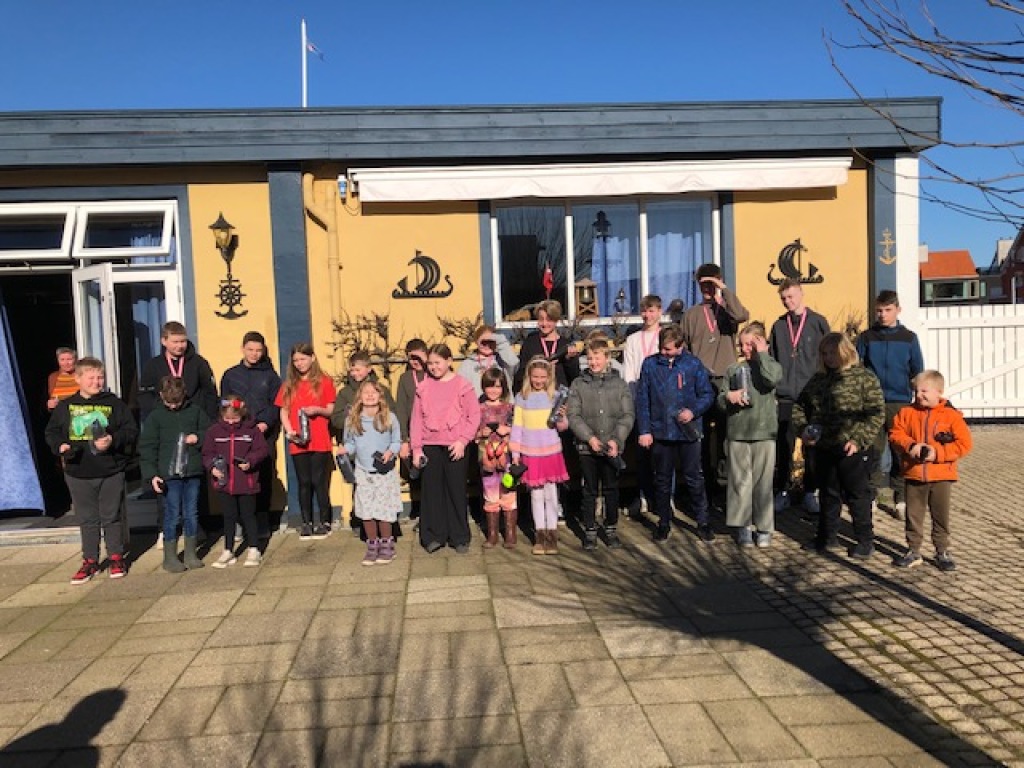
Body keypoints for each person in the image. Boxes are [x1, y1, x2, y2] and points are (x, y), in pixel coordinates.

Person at [45, 357, 137, 584]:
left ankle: (116, 557)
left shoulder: (114, 404)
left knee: (111, 517)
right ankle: (90, 561)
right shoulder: (66, 406)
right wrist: (60, 446)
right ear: (78, 379)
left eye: (100, 377)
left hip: (110, 470)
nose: (97, 382)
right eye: (91, 378)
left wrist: (113, 440)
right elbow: (52, 432)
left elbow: (131, 430)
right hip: (78, 471)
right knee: (87, 519)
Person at [793, 333, 884, 558]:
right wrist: (803, 429)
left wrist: (858, 440)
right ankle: (827, 537)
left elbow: (875, 414)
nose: (828, 358)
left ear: (845, 352)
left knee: (857, 495)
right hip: (824, 447)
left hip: (852, 448)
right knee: (828, 493)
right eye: (824, 354)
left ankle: (865, 540)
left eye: (832, 353)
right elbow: (800, 406)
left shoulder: (863, 378)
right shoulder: (818, 379)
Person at [636, 325, 716, 544]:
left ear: (680, 347)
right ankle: (663, 523)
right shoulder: (650, 365)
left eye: (669, 349)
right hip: (661, 432)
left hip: (688, 432)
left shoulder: (693, 364)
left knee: (694, 478)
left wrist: (693, 411)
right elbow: (643, 399)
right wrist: (645, 430)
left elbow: (707, 394)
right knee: (662, 481)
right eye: (662, 348)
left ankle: (703, 522)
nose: (664, 352)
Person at [680, 264, 750, 510]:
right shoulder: (691, 315)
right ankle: (704, 491)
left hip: (725, 382)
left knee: (726, 438)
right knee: (700, 438)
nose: (708, 289)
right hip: (700, 383)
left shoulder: (727, 312)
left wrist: (723, 290)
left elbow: (742, 315)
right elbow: (683, 350)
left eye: (712, 284)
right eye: (704, 285)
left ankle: (727, 490)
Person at [889, 370, 972, 571]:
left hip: (941, 476)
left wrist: (938, 454)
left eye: (924, 391)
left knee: (940, 515)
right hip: (914, 474)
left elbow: (964, 444)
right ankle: (913, 550)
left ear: (939, 392)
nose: (919, 395)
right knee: (913, 515)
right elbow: (895, 434)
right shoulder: (907, 413)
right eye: (916, 391)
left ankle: (942, 550)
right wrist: (910, 446)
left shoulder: (951, 416)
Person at [856, 289, 924, 520]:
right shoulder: (867, 337)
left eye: (887, 310)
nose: (883, 315)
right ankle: (872, 496)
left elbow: (917, 371)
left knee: (900, 451)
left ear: (898, 310)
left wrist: (918, 398)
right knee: (872, 450)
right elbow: (858, 369)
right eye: (879, 311)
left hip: (900, 402)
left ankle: (901, 498)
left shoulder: (909, 338)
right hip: (873, 403)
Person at [410, 344, 480, 553]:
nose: (433, 367)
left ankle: (459, 537)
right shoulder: (423, 387)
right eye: (430, 364)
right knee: (432, 492)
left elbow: (474, 416)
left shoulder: (463, 386)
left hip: (455, 446)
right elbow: (416, 420)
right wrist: (416, 449)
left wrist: (463, 441)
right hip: (430, 446)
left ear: (449, 361)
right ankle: (433, 535)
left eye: (437, 362)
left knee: (456, 490)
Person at [768, 279, 830, 513]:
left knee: (812, 445)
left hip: (811, 395)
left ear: (801, 294)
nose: (788, 302)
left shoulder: (818, 322)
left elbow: (829, 356)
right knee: (783, 446)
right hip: (785, 395)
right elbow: (773, 360)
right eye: (783, 298)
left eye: (791, 296)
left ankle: (810, 491)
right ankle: (783, 490)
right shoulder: (778, 326)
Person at [719, 322, 782, 548]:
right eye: (742, 344)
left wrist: (762, 354)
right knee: (739, 482)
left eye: (750, 344)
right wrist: (728, 397)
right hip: (738, 433)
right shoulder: (734, 369)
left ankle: (764, 528)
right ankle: (743, 526)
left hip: (764, 432)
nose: (745, 349)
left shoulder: (770, 365)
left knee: (763, 483)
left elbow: (772, 379)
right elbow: (720, 399)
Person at [567, 337, 634, 550]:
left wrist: (617, 439)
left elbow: (627, 415)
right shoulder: (579, 384)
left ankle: (611, 527)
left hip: (611, 446)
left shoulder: (619, 384)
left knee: (611, 488)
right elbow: (573, 415)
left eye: (597, 358)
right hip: (588, 447)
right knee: (589, 489)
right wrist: (589, 437)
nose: (593, 362)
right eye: (590, 358)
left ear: (607, 358)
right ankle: (590, 529)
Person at [139, 376, 209, 572]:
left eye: (177, 402)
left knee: (191, 513)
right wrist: (152, 475)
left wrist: (198, 437)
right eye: (169, 402)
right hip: (168, 475)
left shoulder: (195, 411)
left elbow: (210, 432)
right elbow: (147, 447)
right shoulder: (155, 417)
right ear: (161, 396)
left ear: (184, 394)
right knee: (171, 515)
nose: (173, 406)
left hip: (192, 471)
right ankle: (170, 557)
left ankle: (191, 553)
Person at [219, 331, 282, 537]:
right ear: (243, 349)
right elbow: (224, 403)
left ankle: (262, 521)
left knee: (263, 476)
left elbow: (276, 404)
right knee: (236, 475)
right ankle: (238, 522)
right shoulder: (231, 375)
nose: (254, 354)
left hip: (263, 433)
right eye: (250, 349)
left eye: (258, 350)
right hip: (236, 433)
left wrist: (266, 422)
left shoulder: (271, 376)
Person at [330, 350, 396, 536]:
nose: (354, 374)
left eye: (358, 370)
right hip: (357, 449)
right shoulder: (345, 393)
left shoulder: (381, 390)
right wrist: (351, 417)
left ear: (368, 369)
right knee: (361, 488)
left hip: (379, 448)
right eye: (352, 370)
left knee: (382, 488)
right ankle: (363, 523)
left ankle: (385, 526)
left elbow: (392, 414)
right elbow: (335, 419)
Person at [275, 342, 336, 540]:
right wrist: (289, 431)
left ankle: (324, 521)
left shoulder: (324, 381)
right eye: (296, 360)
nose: (300, 363)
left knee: (319, 481)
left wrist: (317, 410)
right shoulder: (289, 385)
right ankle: (306, 522)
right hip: (298, 440)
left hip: (319, 438)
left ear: (312, 358)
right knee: (304, 482)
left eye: (303, 359)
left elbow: (331, 409)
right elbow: (283, 411)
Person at [511, 356, 570, 555]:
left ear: (548, 377)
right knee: (536, 495)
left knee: (551, 494)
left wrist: (562, 417)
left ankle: (552, 536)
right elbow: (517, 427)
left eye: (542, 377)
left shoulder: (555, 396)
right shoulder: (522, 397)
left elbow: (562, 427)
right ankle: (539, 535)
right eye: (535, 377)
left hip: (551, 451)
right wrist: (515, 452)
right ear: (529, 376)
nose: (538, 380)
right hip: (530, 452)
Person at [202, 395, 270, 568]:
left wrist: (250, 461)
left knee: (248, 515)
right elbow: (207, 453)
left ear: (242, 414)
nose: (231, 422)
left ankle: (254, 549)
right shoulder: (214, 432)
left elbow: (262, 450)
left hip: (246, 481)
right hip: (224, 483)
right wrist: (212, 467)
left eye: (235, 418)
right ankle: (228, 550)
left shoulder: (251, 430)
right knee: (229, 517)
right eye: (227, 419)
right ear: (221, 415)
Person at [341, 380, 403, 566]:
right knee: (367, 510)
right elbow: (350, 443)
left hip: (384, 472)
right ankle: (372, 544)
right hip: (363, 472)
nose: (369, 395)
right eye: (365, 392)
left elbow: (396, 441)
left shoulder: (389, 417)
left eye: (373, 392)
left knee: (383, 510)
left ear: (380, 396)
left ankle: (387, 544)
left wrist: (390, 451)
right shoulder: (352, 420)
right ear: (359, 397)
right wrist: (345, 450)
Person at [621, 294, 663, 517]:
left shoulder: (665, 337)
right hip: (640, 403)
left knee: (663, 453)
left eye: (652, 310)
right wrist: (633, 403)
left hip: (662, 403)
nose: (648, 315)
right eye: (644, 311)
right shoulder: (633, 340)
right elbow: (628, 373)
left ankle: (665, 498)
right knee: (642, 454)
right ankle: (645, 496)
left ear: (660, 312)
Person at [138, 321, 219, 421]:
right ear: (164, 341)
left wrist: (208, 419)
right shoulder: (153, 365)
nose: (180, 346)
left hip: (193, 418)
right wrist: (161, 409)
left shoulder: (199, 363)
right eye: (175, 342)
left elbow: (210, 393)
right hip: (165, 419)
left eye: (183, 341)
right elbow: (145, 396)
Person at [475, 368, 518, 548]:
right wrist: (481, 433)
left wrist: (507, 430)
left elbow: (519, 430)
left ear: (504, 388)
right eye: (490, 386)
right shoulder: (479, 409)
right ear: (483, 387)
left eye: (498, 387)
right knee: (491, 493)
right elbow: (472, 433)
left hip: (506, 457)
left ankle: (510, 532)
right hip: (487, 457)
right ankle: (492, 533)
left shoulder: (510, 408)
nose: (493, 390)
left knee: (508, 491)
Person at [395, 339, 429, 525]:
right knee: (415, 473)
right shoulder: (406, 379)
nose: (415, 362)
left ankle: (432, 509)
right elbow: (400, 409)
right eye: (411, 358)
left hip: (432, 433)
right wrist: (403, 439)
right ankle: (418, 508)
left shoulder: (434, 374)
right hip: (413, 434)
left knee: (432, 473)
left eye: (418, 357)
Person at [512, 300, 580, 391]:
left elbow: (574, 378)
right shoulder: (530, 343)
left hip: (559, 396)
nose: (544, 324)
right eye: (541, 319)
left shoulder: (565, 345)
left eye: (549, 320)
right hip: (535, 395)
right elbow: (521, 375)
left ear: (556, 320)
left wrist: (570, 360)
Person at [457, 323, 519, 396]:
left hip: (503, 402)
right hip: (477, 402)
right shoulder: (467, 364)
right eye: (484, 342)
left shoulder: (503, 360)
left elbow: (514, 364)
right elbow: (461, 388)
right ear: (476, 341)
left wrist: (500, 340)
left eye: (491, 342)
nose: (487, 345)